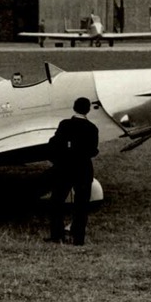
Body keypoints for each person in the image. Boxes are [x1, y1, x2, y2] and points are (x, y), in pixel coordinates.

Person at [47, 96, 99, 246]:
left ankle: (57, 235)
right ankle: (78, 238)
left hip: (64, 168)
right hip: (83, 169)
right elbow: (93, 150)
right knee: (81, 205)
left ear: (74, 108)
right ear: (88, 110)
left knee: (56, 202)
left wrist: (58, 160)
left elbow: (53, 144)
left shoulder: (64, 125)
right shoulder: (92, 128)